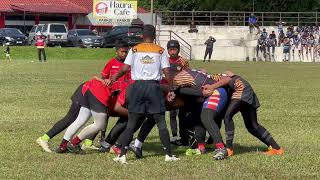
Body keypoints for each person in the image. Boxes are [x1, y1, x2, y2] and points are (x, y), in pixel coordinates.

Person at [36, 42, 130, 153]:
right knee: (73, 118)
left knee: (83, 120)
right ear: (116, 51)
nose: (124, 54)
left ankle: (66, 145)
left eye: (126, 52)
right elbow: (103, 79)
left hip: (95, 91)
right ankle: (47, 139)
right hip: (90, 91)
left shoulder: (129, 68)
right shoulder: (115, 64)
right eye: (122, 51)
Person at [109, 24, 179, 164]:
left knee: (132, 122)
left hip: (137, 87)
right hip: (154, 87)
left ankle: (122, 155)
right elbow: (166, 72)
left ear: (142, 36)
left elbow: (125, 68)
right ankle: (168, 155)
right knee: (160, 122)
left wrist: (115, 77)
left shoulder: (134, 49)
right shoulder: (160, 51)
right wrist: (171, 88)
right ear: (154, 37)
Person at [202, 74, 284, 156]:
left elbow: (227, 78)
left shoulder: (214, 77)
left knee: (227, 116)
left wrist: (212, 86)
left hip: (241, 91)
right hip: (248, 93)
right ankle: (276, 148)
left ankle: (229, 149)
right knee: (252, 126)